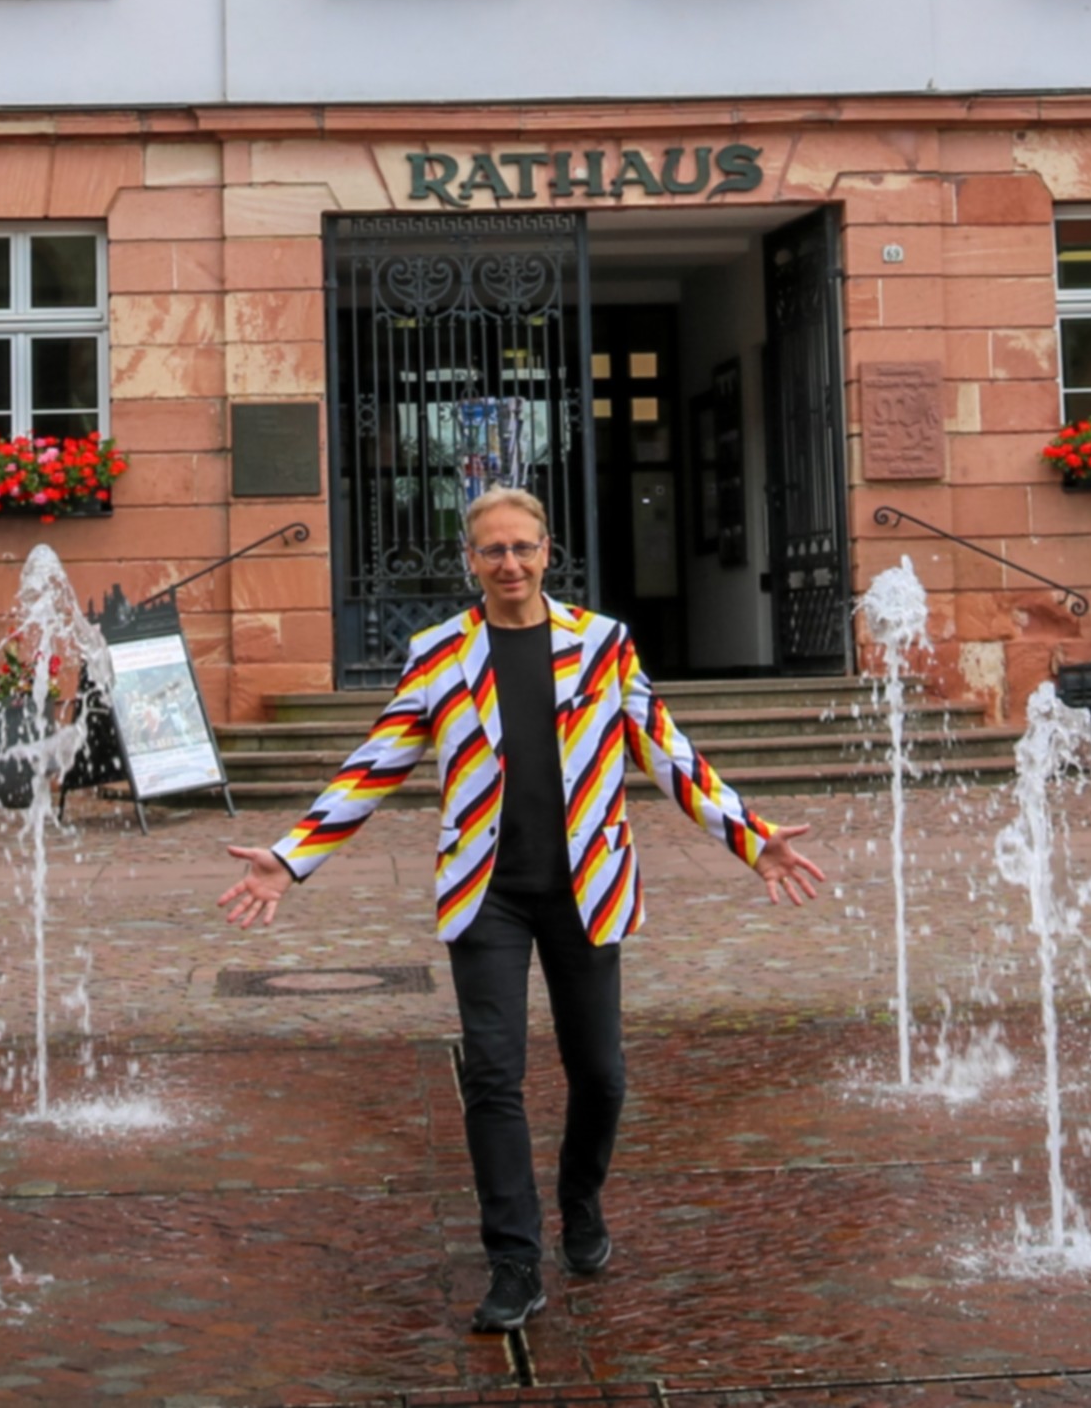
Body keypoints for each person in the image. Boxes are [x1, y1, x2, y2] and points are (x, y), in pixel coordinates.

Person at [219, 484, 826, 1332]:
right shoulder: (438, 653)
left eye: (523, 547)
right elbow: (375, 762)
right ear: (470, 560)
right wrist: (288, 859)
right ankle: (513, 1256)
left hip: (587, 886)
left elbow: (668, 752)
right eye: (492, 549)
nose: (509, 562)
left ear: (548, 552)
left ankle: (581, 1199)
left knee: (601, 1075)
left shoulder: (603, 643)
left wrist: (751, 836)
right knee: (494, 1074)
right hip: (487, 891)